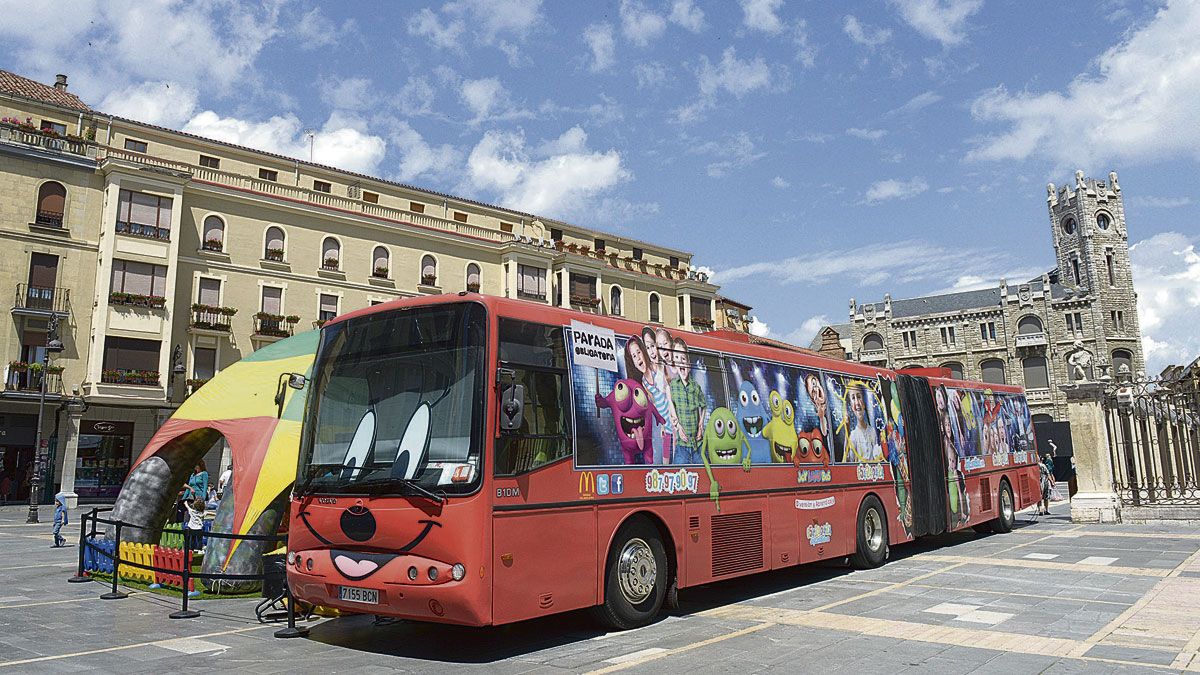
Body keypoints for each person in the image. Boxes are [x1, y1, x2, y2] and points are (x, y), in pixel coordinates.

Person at [668, 337, 707, 465]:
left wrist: (701, 426)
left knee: (704, 478)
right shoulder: (672, 386)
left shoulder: (696, 387)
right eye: (677, 359)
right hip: (682, 446)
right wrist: (678, 427)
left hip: (698, 446)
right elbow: (672, 410)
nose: (681, 362)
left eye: (683, 359)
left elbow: (704, 405)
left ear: (688, 364)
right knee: (678, 478)